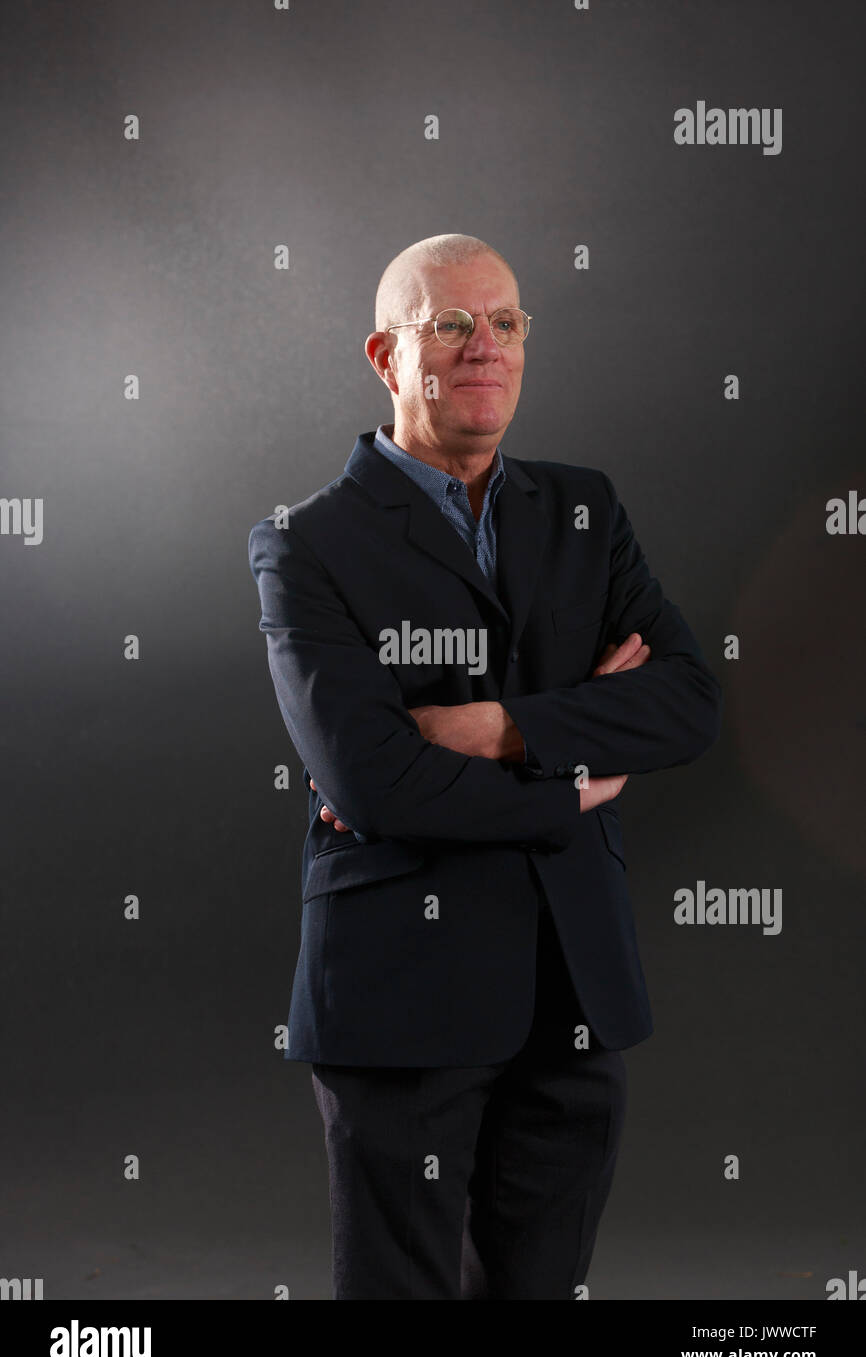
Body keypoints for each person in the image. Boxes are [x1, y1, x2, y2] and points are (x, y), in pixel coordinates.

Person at [248, 233, 722, 1299]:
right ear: (385, 354)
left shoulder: (583, 509)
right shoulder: (305, 544)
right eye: (450, 323)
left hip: (572, 985)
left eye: (504, 321)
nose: (484, 346)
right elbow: (375, 783)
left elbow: (687, 701)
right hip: (398, 993)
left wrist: (500, 726)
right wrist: (573, 768)